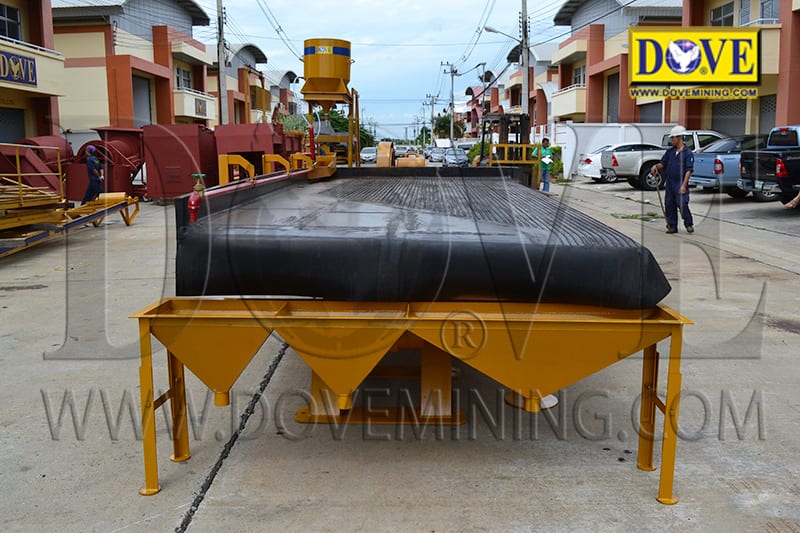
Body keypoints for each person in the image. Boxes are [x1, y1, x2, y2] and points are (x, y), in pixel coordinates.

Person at [651, 125, 694, 234]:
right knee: (669, 204)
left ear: (679, 138)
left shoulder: (687, 153)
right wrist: (656, 166)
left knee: (682, 204)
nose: (671, 140)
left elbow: (689, 170)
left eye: (673, 138)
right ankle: (672, 226)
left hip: (680, 182)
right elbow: (662, 163)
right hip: (670, 182)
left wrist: (684, 185)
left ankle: (688, 224)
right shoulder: (670, 152)